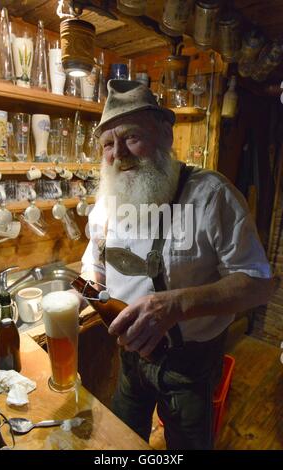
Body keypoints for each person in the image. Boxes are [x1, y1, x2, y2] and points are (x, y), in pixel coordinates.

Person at [81, 79, 277, 450]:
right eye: (108, 144)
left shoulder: (211, 195)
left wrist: (174, 305)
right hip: (129, 358)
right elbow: (94, 264)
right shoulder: (107, 202)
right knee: (122, 442)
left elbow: (258, 282)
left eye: (131, 137)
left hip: (190, 363)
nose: (118, 153)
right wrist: (88, 284)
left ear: (165, 135)